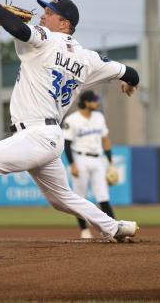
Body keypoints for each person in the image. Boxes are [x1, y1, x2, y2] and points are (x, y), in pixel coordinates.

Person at [0, 0, 141, 267]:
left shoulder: (45, 39)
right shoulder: (89, 59)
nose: (43, 15)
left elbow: (18, 29)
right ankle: (114, 227)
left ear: (64, 23)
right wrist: (129, 83)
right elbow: (130, 72)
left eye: (49, 13)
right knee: (61, 199)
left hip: (36, 134)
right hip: (49, 137)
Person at [63, 90, 115, 239]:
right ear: (86, 102)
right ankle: (84, 230)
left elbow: (105, 139)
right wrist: (72, 164)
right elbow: (67, 144)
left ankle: (112, 229)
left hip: (98, 159)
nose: (97, 103)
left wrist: (110, 161)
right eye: (94, 100)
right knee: (80, 197)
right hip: (80, 159)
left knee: (103, 196)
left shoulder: (99, 117)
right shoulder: (72, 120)